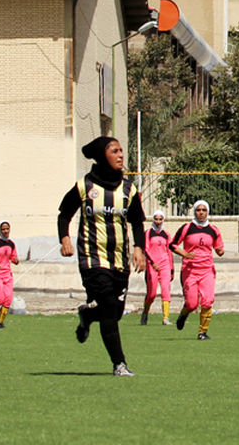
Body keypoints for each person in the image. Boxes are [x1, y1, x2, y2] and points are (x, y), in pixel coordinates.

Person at [57, 136, 145, 377]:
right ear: (101, 156)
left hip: (119, 261)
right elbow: (64, 213)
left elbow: (137, 222)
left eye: (121, 151)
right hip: (92, 259)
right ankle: (119, 364)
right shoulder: (84, 187)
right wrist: (64, 238)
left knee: (115, 312)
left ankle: (87, 315)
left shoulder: (129, 189)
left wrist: (139, 248)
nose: (120, 155)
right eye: (114, 151)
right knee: (108, 309)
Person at [171, 200, 224, 340]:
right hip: (190, 270)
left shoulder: (213, 230)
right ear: (194, 211)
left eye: (204, 210)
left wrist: (220, 251)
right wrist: (185, 254)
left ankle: (202, 332)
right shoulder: (187, 228)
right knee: (192, 303)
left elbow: (219, 249)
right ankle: (184, 313)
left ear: (208, 212)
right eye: (198, 210)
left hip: (207, 270)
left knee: (207, 301)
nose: (201, 213)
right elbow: (172, 245)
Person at [141, 210, 174, 325]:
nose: (158, 221)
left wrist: (172, 269)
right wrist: (152, 262)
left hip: (165, 265)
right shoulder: (148, 233)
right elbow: (145, 249)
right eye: (156, 219)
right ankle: (145, 312)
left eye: (160, 219)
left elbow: (169, 251)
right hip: (152, 265)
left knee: (166, 290)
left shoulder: (166, 234)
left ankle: (166, 318)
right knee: (152, 294)